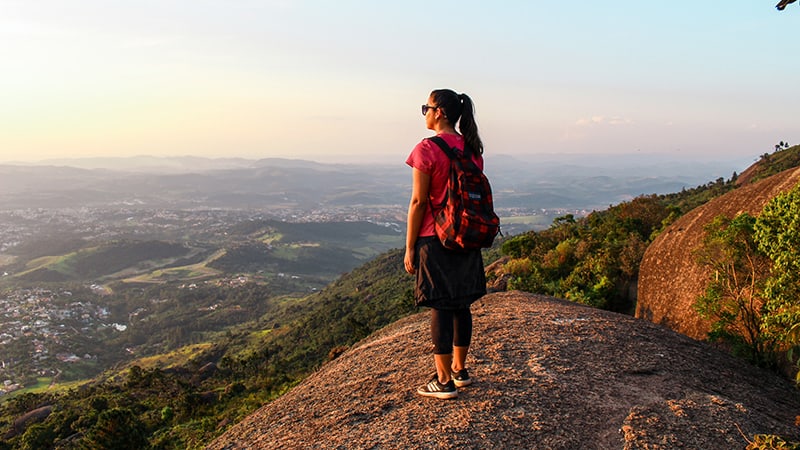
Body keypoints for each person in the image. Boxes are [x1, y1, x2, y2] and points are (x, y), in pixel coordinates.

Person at [404, 88, 487, 399]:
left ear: (439, 112)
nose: (424, 111)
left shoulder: (426, 149)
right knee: (461, 304)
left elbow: (418, 201)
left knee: (440, 305)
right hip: (466, 235)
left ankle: (442, 381)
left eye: (426, 106)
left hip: (434, 237)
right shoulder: (471, 148)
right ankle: (460, 370)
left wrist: (410, 246)